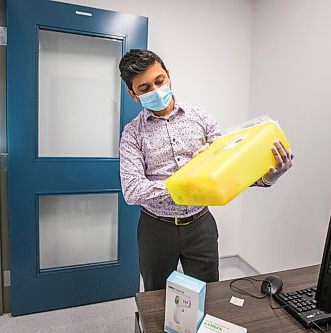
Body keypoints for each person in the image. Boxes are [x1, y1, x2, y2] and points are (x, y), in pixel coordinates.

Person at [118, 49, 293, 291]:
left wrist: (269, 177)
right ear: (133, 94)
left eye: (159, 81)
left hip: (200, 225)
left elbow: (229, 169)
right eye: (145, 88)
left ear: (168, 75)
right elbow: (132, 190)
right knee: (156, 296)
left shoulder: (201, 118)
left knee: (209, 294)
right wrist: (187, 179)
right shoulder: (132, 133)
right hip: (156, 229)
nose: (156, 91)